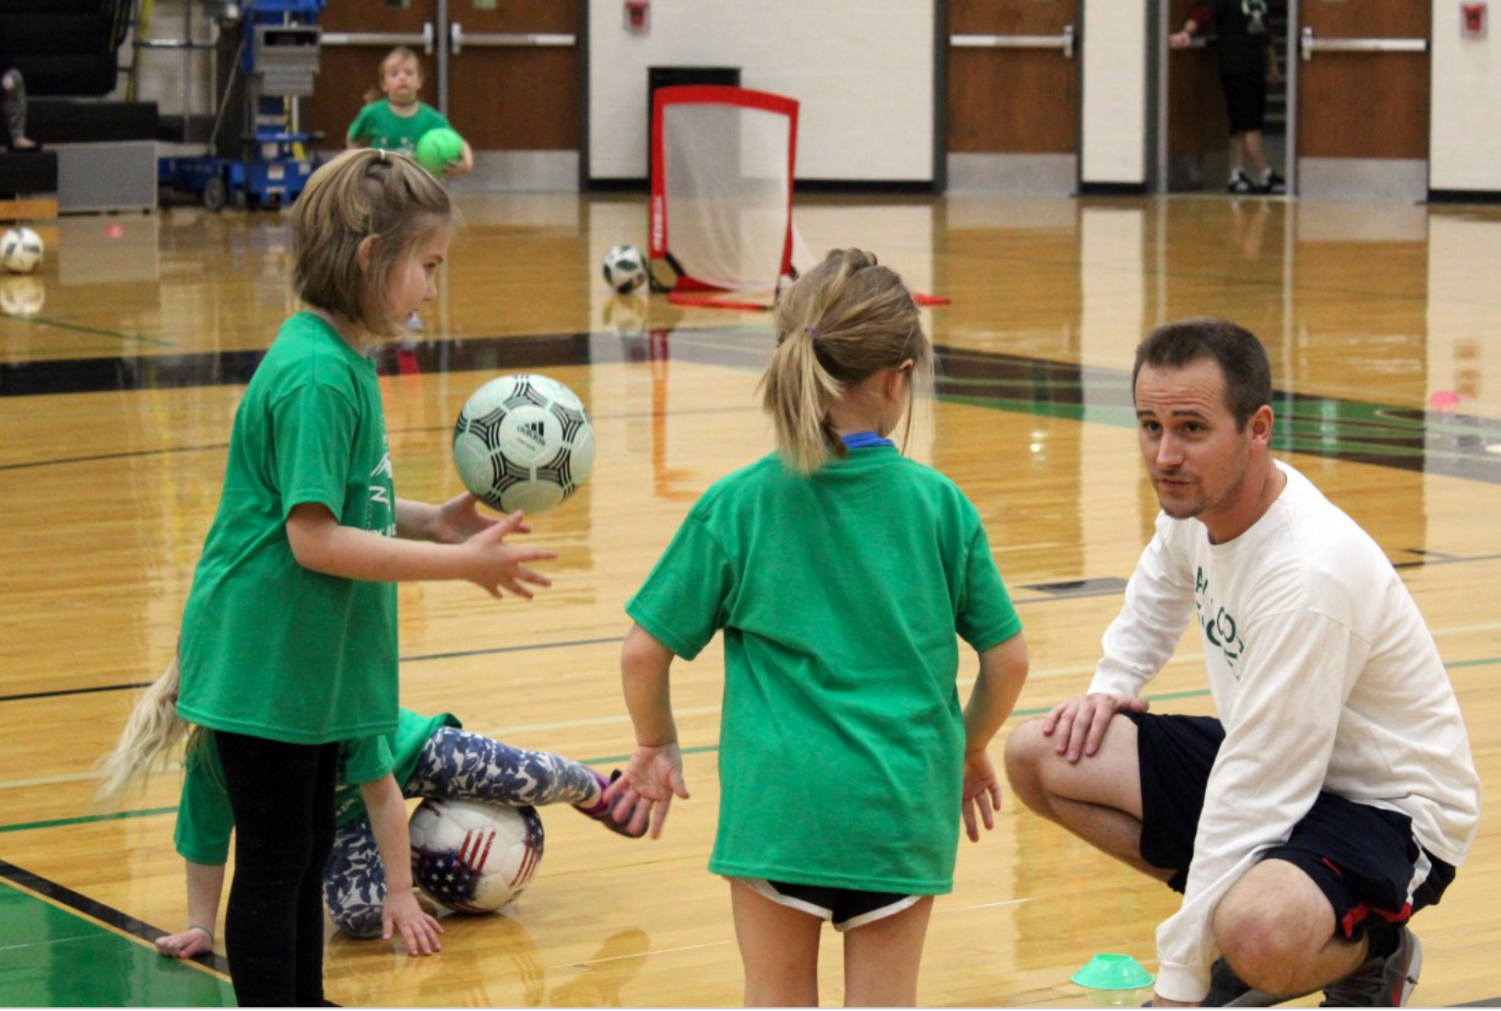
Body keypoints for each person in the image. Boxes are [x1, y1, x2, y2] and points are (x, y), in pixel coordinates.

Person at [103, 148, 555, 1008]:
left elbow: (351, 502)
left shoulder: (339, 359)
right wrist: (459, 565)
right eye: (426, 266)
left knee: (303, 852)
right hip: (262, 660)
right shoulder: (315, 373)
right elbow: (313, 537)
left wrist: (434, 520)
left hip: (302, 665)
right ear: (368, 258)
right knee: (277, 865)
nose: (432, 287)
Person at [1003, 318, 1480, 1007]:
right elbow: (1157, 590)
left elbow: (1256, 786)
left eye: (1190, 428)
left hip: (1390, 807)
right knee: (1039, 753)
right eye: (1148, 425)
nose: (1164, 454)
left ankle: (1369, 950)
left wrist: (1179, 981)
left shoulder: (1309, 576)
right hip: (1281, 759)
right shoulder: (1197, 505)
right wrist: (1111, 686)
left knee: (1256, 933)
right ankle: (1240, 919)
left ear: (1257, 427)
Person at [605, 248, 1031, 1007]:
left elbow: (644, 651)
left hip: (779, 811)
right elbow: (1008, 661)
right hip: (895, 808)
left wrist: (654, 742)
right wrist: (967, 745)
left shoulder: (738, 503)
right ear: (897, 378)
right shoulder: (939, 506)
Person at [96, 661, 643, 960]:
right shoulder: (215, 756)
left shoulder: (326, 707)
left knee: (530, 775)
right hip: (345, 815)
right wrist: (200, 926)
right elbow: (205, 842)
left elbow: (382, 793)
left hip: (408, 753)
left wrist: (402, 893)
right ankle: (439, 858)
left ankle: (596, 791)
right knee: (361, 919)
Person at [1171, 2, 1285, 195]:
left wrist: (1272, 64)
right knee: (1250, 125)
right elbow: (1202, 14)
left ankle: (1237, 173)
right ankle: (1266, 172)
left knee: (1241, 125)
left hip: (1256, 67)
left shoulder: (1261, 2)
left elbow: (1266, 34)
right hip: (1236, 67)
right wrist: (1186, 32)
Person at [347, 47, 473, 176]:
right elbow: (353, 139)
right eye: (394, 74)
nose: (402, 77)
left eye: (409, 73)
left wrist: (467, 163)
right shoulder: (371, 114)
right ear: (384, 84)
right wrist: (357, 165)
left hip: (417, 185)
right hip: (380, 183)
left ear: (419, 81)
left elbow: (458, 141)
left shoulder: (431, 118)